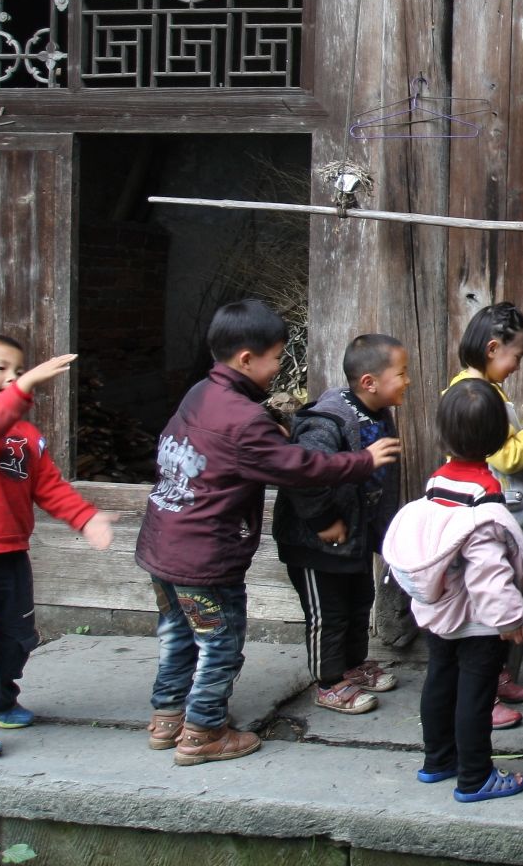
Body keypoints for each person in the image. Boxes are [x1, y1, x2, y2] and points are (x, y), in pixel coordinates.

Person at [135, 300, 400, 765]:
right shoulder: (245, 419)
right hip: (205, 557)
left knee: (177, 635)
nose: (279, 366)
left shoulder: (200, 393)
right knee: (219, 645)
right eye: (277, 356)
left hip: (162, 542)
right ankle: (203, 732)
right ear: (245, 359)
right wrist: (362, 461)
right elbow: (296, 467)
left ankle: (167, 719)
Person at [0, 336, 117, 761]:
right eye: (1, 369)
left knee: (16, 637)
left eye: (18, 371)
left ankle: (0, 699)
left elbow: (48, 487)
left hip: (11, 555)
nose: (13, 378)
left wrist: (86, 518)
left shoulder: (27, 435)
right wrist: (25, 386)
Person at [382, 379, 523, 804]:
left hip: (437, 608)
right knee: (476, 693)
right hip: (477, 621)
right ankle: (475, 777)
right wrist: (509, 621)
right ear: (496, 439)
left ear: (441, 435)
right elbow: (490, 574)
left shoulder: (437, 484)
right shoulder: (485, 503)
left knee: (439, 680)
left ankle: (438, 760)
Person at [273, 333, 410, 715]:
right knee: (327, 613)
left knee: (357, 603)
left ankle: (352, 666)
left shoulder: (379, 413)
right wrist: (322, 520)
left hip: (353, 536)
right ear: (369, 382)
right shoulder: (327, 420)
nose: (408, 380)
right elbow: (301, 476)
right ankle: (329, 682)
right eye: (402, 373)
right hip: (316, 540)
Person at [445, 302, 523, 720]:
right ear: (493, 348)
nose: (517, 365)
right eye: (516, 356)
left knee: (498, 600)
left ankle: (495, 678)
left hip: (500, 516)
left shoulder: (485, 389)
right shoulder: (474, 395)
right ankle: (483, 697)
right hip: (489, 521)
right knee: (485, 606)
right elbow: (507, 457)